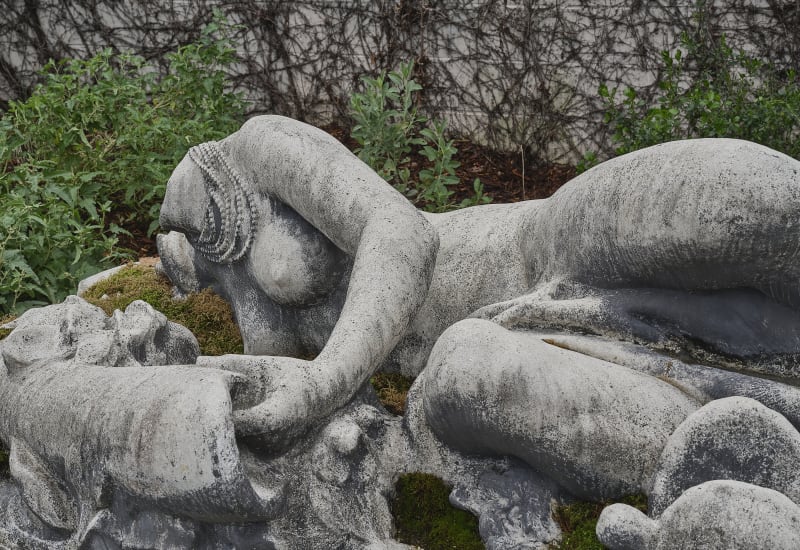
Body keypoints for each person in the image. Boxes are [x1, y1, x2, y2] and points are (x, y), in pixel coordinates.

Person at [159, 115, 800, 452]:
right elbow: (265, 387)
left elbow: (402, 232)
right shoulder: (215, 276)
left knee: (761, 209)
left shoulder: (257, 146)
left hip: (527, 248)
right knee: (749, 375)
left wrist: (327, 381)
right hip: (503, 342)